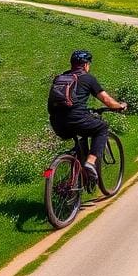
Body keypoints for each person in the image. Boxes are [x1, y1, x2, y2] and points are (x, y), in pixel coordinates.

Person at [47, 50, 126, 184]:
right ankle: (90, 163)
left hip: (57, 123)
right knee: (102, 128)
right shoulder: (88, 78)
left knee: (79, 136)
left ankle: (76, 173)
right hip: (77, 120)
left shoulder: (61, 78)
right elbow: (106, 100)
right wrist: (120, 106)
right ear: (85, 65)